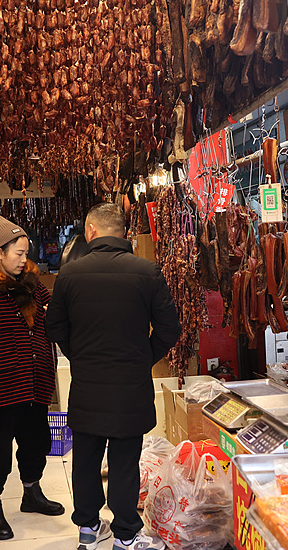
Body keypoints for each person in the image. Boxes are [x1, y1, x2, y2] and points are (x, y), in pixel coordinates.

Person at [46, 203, 181, 550]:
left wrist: (80, 357)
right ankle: (125, 535)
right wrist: (142, 359)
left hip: (87, 384)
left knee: (86, 460)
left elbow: (54, 327)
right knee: (124, 461)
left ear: (91, 230)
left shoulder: (69, 274)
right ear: (123, 232)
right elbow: (169, 329)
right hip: (130, 386)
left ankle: (88, 529)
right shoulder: (147, 272)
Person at [0, 212, 64, 541]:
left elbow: (54, 311)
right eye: (17, 253)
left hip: (35, 378)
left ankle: (31, 493)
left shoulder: (31, 283)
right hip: (0, 381)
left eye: (25, 253)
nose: (23, 259)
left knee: (36, 441)